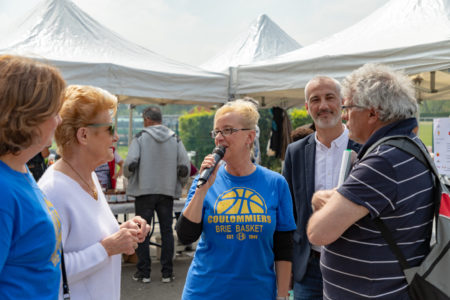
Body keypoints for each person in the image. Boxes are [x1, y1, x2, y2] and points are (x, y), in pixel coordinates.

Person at [307, 64, 435, 299]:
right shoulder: (410, 146)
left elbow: (318, 233)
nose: (344, 115)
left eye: (348, 107)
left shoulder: (383, 162)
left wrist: (321, 199)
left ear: (373, 113)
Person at [176, 99, 296, 300]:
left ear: (250, 136)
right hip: (205, 292)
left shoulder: (276, 183)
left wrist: (283, 295)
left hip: (258, 292)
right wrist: (202, 190)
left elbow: (284, 247)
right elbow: (186, 236)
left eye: (228, 130)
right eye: (217, 132)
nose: (220, 138)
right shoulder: (203, 180)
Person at [38, 85, 150, 300]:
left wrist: (122, 231)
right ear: (84, 135)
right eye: (110, 128)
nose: (116, 137)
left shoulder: (88, 177)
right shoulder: (53, 190)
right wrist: (107, 248)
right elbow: (46, 271)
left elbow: (87, 238)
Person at [283, 76, 360, 300]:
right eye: (315, 100)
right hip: (309, 268)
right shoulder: (295, 152)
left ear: (342, 102)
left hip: (354, 264)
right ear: (307, 107)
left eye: (329, 98)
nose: (323, 106)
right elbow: (289, 214)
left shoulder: (365, 147)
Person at [0, 54, 66, 299]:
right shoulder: (3, 190)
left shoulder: (20, 169)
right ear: (28, 118)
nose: (59, 121)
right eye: (54, 112)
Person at [124, 105, 190, 283]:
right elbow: (185, 166)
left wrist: (129, 177)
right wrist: (179, 184)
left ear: (146, 119)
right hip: (166, 191)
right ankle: (167, 273)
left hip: (144, 191)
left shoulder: (140, 138)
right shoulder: (175, 138)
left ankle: (143, 272)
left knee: (141, 232)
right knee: (167, 231)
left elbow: (130, 162)